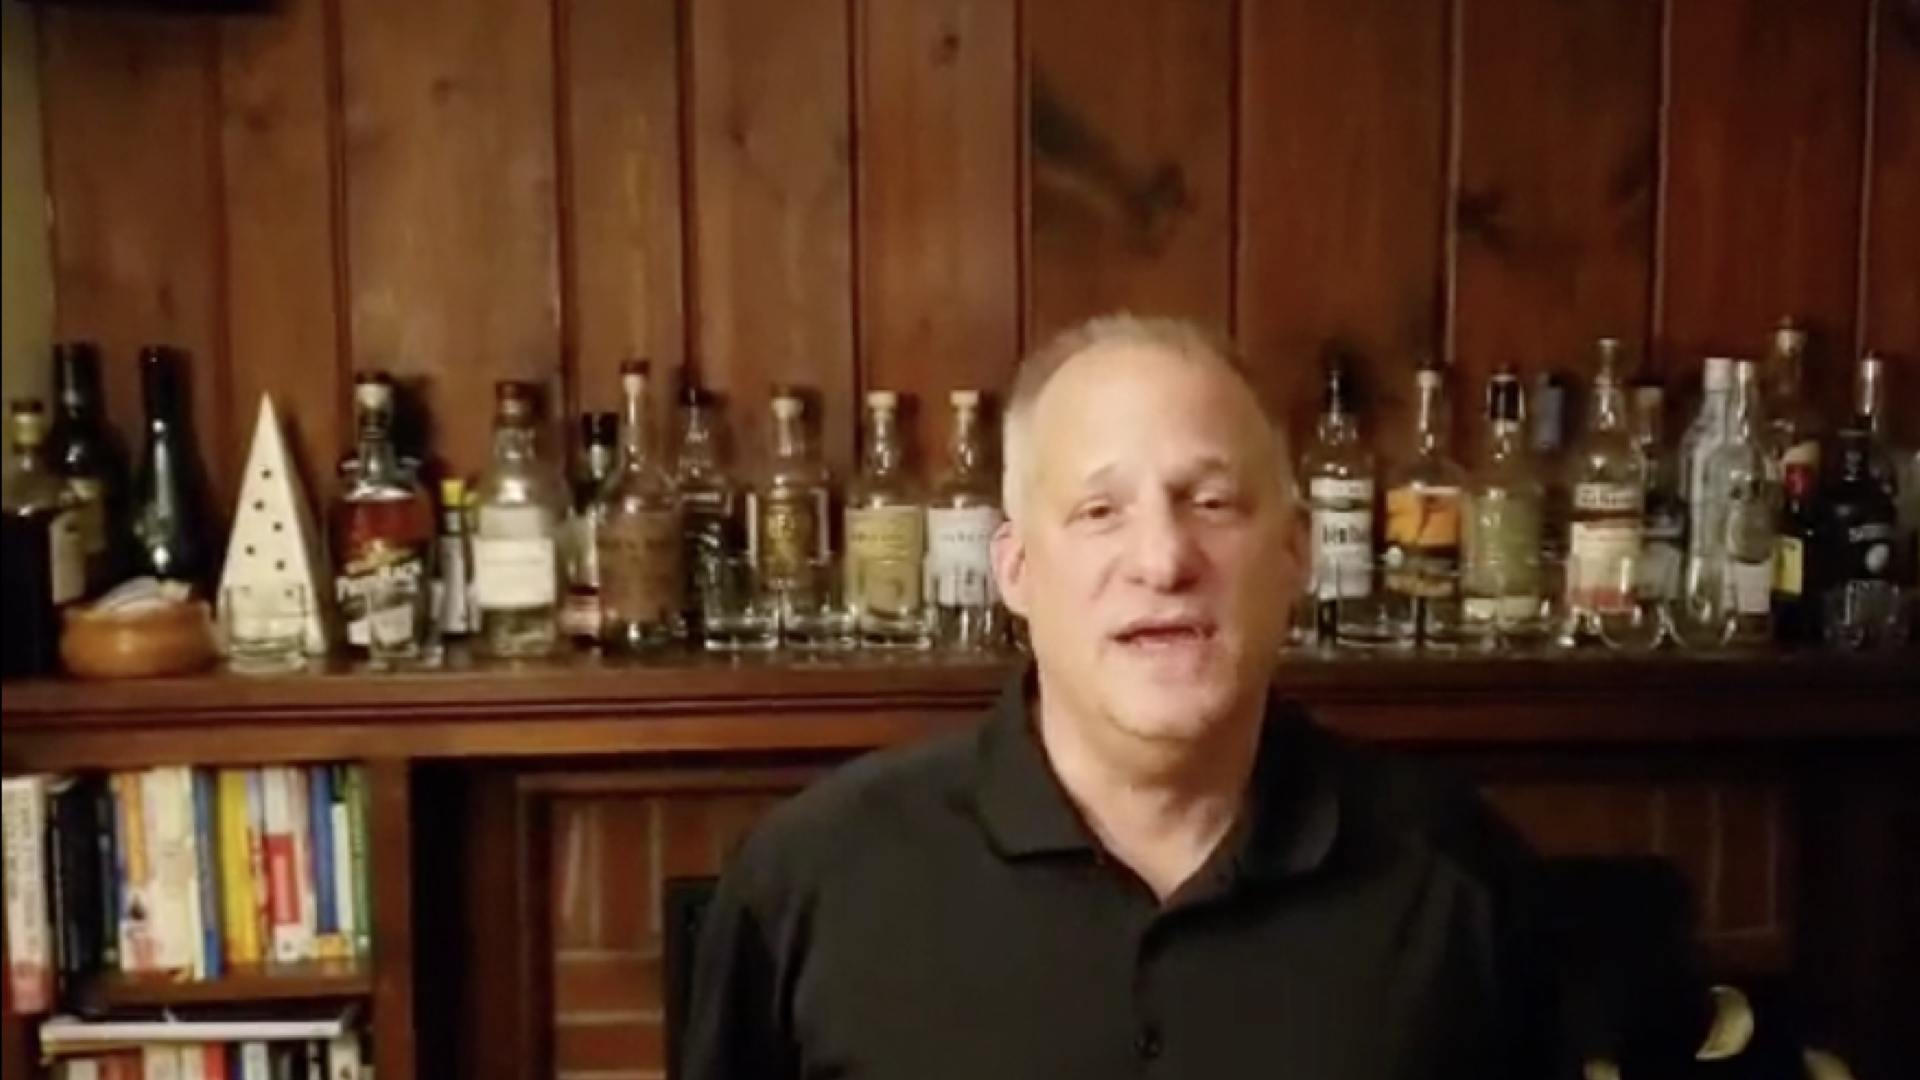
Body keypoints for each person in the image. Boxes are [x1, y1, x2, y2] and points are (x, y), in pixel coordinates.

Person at [679, 313, 1556, 1079]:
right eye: (1099, 511)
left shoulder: (1459, 883)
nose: (1163, 561)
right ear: (1015, 569)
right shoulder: (812, 881)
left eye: (1211, 502)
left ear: (1296, 553)